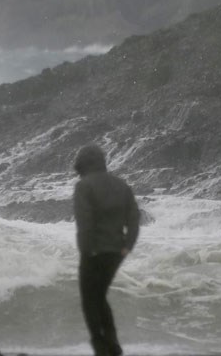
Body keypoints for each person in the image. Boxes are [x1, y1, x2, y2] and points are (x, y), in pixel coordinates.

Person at [73, 144, 140, 356]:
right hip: (116, 251)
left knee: (89, 299)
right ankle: (112, 345)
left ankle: (102, 347)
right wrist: (128, 245)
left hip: (94, 251)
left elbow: (85, 223)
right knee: (99, 296)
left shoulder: (84, 186)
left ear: (82, 164)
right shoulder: (122, 185)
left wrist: (86, 250)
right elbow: (134, 218)